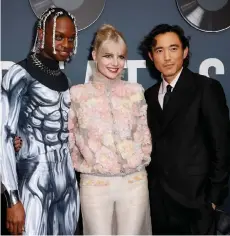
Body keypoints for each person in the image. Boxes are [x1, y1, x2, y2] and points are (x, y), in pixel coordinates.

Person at [139, 24, 230, 235]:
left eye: (173, 48)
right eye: (160, 51)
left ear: (185, 51)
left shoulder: (206, 88)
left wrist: (212, 201)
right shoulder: (148, 96)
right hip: (158, 204)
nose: (167, 57)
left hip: (196, 204)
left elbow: (222, 148)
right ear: (152, 57)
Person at [1, 7, 80, 235]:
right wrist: (12, 199)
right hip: (33, 178)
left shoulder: (65, 80)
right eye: (58, 36)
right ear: (41, 33)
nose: (66, 44)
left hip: (66, 179)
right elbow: (3, 137)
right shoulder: (19, 73)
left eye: (71, 38)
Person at [68, 24, 152, 235]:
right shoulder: (78, 94)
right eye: (108, 56)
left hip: (134, 181)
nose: (115, 63)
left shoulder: (135, 92)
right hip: (95, 183)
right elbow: (69, 136)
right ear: (95, 55)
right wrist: (85, 161)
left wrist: (140, 158)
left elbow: (144, 132)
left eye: (121, 57)